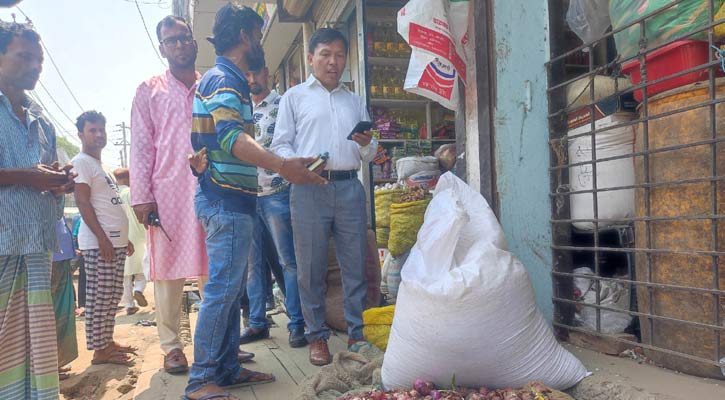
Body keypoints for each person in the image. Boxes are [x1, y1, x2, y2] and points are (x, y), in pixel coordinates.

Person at [185, 4, 326, 400]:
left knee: (230, 293)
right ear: (246, 35)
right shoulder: (223, 80)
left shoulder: (225, 79)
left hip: (232, 200)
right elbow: (231, 138)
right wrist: (283, 165)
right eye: (258, 34)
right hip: (226, 201)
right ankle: (201, 380)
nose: (261, 42)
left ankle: (226, 368)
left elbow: (210, 141)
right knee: (222, 292)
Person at [271, 28, 378, 366]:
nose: (333, 62)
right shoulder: (294, 97)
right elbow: (280, 144)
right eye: (326, 54)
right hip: (308, 188)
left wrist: (366, 144)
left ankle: (357, 333)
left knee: (354, 265)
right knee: (311, 267)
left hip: (349, 186)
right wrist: (297, 163)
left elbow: (371, 153)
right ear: (311, 58)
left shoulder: (354, 99)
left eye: (340, 55)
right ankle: (317, 336)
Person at [0, 20, 75, 399]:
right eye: (23, 57)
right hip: (2, 247)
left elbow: (46, 176)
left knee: (37, 349)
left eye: (39, 59)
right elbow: (26, 175)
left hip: (36, 247)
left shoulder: (41, 118)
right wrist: (24, 176)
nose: (34, 66)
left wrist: (61, 182)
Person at [130, 15, 209, 374]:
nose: (179, 45)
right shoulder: (149, 90)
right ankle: (172, 347)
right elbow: (142, 148)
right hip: (168, 192)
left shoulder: (211, 85)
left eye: (183, 38)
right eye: (171, 40)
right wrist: (142, 197)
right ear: (162, 48)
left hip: (213, 190)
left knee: (216, 268)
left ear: (194, 42)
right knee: (167, 275)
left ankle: (217, 340)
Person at [239, 63, 307, 348]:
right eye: (247, 75)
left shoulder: (283, 105)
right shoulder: (240, 110)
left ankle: (297, 324)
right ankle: (257, 323)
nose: (252, 79)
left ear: (267, 72)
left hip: (278, 193)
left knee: (288, 261)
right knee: (253, 265)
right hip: (248, 196)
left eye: (255, 73)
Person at [72, 110, 136, 366]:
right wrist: (102, 238)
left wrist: (124, 239)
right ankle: (100, 351)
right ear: (81, 134)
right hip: (100, 244)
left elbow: (109, 205)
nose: (99, 135)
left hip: (114, 242)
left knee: (112, 295)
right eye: (92, 130)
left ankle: (107, 342)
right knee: (100, 297)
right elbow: (82, 202)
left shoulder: (101, 166)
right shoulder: (81, 162)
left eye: (101, 130)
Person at [114, 168, 148, 315]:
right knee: (143, 267)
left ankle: (129, 305)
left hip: (120, 235)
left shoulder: (112, 194)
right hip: (138, 235)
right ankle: (139, 289)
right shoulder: (131, 193)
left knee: (126, 274)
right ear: (129, 178)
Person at [51, 217, 79, 380]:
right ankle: (47, 365)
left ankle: (55, 362)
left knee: (60, 312)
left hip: (61, 255)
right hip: (48, 256)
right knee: (49, 313)